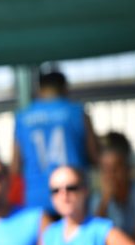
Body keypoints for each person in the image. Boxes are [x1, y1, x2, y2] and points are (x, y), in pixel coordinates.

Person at [13, 70, 98, 212]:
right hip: (72, 193)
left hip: (35, 196)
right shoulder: (76, 112)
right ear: (65, 88)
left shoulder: (22, 117)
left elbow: (15, 165)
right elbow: (94, 154)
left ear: (39, 89)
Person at [91, 131, 135, 245]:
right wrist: (105, 201)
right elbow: (93, 236)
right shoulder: (98, 199)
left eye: (116, 168)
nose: (111, 175)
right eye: (105, 170)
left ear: (128, 170)